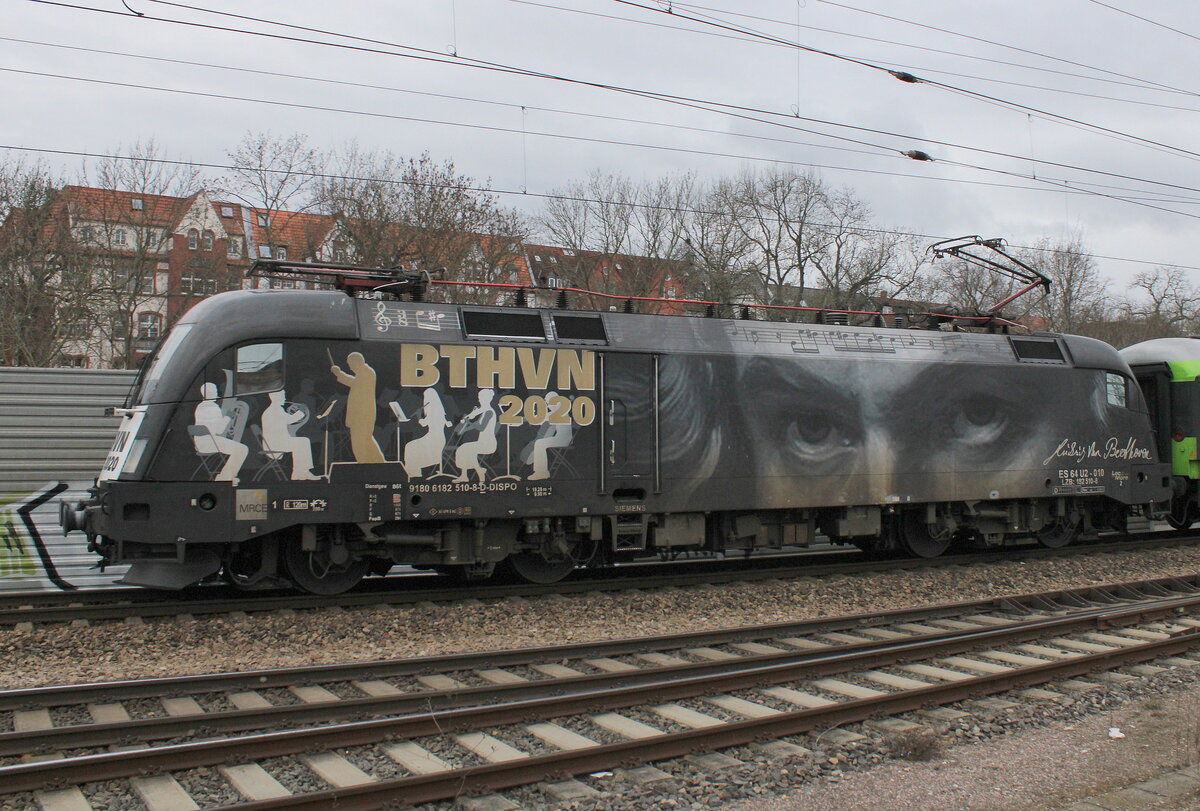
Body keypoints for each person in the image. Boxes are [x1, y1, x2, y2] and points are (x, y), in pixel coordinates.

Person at [331, 351, 387, 464]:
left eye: (351, 365)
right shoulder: (365, 373)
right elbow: (355, 382)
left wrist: (339, 373)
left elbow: (354, 383)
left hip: (362, 415)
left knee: (360, 443)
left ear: (357, 362)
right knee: (366, 441)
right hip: (361, 415)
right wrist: (339, 374)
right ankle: (379, 463)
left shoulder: (367, 373)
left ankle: (365, 465)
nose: (350, 368)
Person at [192, 382, 248, 482]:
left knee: (238, 448)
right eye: (214, 391)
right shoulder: (213, 407)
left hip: (201, 443)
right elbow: (220, 430)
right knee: (242, 449)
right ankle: (225, 477)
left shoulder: (200, 406)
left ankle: (227, 476)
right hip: (210, 442)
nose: (216, 392)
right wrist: (228, 416)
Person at [260, 390, 320, 480]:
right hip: (275, 444)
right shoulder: (275, 410)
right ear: (274, 397)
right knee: (303, 442)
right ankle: (300, 472)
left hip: (274, 443)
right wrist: (302, 411)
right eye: (282, 396)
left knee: (302, 442)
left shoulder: (274, 409)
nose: (284, 398)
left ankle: (300, 472)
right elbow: (290, 420)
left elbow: (286, 420)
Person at [453, 389, 499, 483]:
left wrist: (467, 421)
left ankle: (475, 472)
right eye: (479, 398)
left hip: (488, 444)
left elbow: (481, 428)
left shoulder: (489, 412)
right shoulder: (484, 412)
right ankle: (470, 473)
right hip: (482, 442)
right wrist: (464, 429)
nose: (479, 400)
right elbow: (476, 424)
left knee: (464, 449)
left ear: (487, 399)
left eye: (481, 398)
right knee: (465, 450)